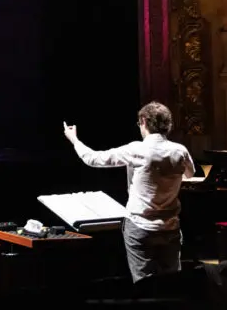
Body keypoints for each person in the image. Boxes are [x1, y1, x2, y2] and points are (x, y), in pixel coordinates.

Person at [62, 102, 195, 284]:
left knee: (144, 285)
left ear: (144, 121)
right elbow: (190, 174)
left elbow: (93, 159)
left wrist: (74, 140)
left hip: (140, 227)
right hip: (170, 228)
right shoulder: (180, 151)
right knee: (172, 283)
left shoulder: (136, 149)